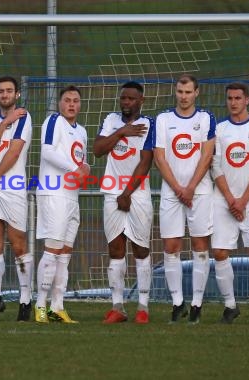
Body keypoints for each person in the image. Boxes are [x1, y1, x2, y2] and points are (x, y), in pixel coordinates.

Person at [154, 74, 216, 324]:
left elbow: (207, 155)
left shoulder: (205, 118)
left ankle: (197, 304)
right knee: (171, 247)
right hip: (171, 192)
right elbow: (160, 157)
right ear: (175, 92)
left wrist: (190, 187)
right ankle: (177, 303)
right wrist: (179, 188)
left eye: (188, 92)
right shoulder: (163, 119)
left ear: (196, 93)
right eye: (180, 91)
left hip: (199, 192)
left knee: (200, 247)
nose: (184, 96)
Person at [93, 81, 155, 324]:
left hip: (137, 194)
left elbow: (145, 161)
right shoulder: (111, 121)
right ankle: (118, 307)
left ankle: (143, 307)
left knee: (140, 249)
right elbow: (98, 149)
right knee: (115, 249)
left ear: (141, 100)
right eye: (123, 98)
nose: (126, 102)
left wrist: (127, 193)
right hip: (111, 192)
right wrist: (120, 133)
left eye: (131, 98)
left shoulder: (149, 124)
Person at [211, 82, 249, 325]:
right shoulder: (219, 129)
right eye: (229, 98)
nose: (233, 102)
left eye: (238, 98)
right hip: (223, 199)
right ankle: (230, 306)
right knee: (220, 252)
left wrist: (243, 200)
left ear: (247, 100)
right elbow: (215, 165)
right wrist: (230, 199)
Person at [0, 76, 33, 322]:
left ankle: (25, 300)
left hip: (11, 186)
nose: (5, 94)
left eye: (9, 91)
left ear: (17, 94)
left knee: (18, 243)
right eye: (1, 91)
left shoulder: (24, 117)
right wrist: (4, 124)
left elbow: (14, 151)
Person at [34, 85, 89, 324]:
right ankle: (40, 306)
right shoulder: (54, 121)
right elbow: (47, 152)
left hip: (71, 196)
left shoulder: (82, 131)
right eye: (67, 100)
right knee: (53, 249)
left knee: (65, 253)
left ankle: (57, 307)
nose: (71, 104)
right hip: (53, 193)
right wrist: (76, 168)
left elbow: (80, 161)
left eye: (76, 101)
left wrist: (85, 168)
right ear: (59, 103)